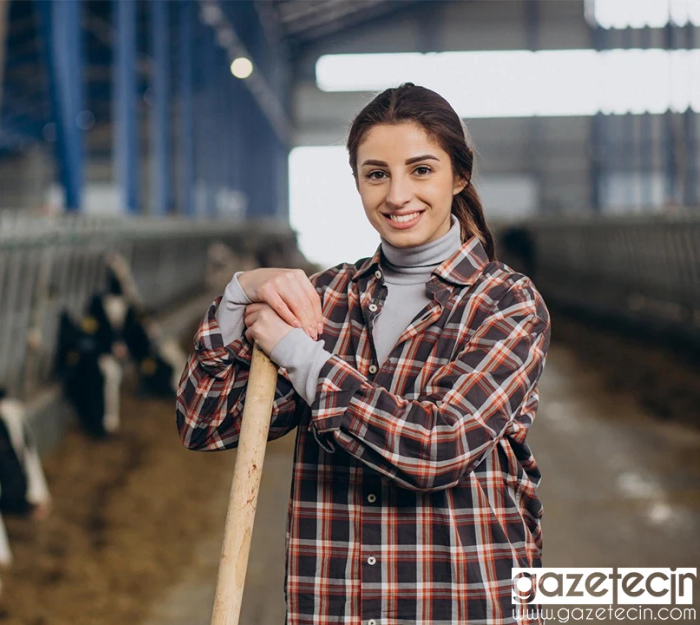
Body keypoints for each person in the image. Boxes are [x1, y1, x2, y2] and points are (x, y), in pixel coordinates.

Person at [176, 83, 551, 625]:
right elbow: (204, 424)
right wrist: (236, 297)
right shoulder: (324, 299)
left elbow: (436, 447)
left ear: (459, 175)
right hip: (336, 607)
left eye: (421, 170)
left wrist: (302, 358)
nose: (398, 195)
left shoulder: (506, 303)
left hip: (463, 605)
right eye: (376, 174)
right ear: (356, 182)